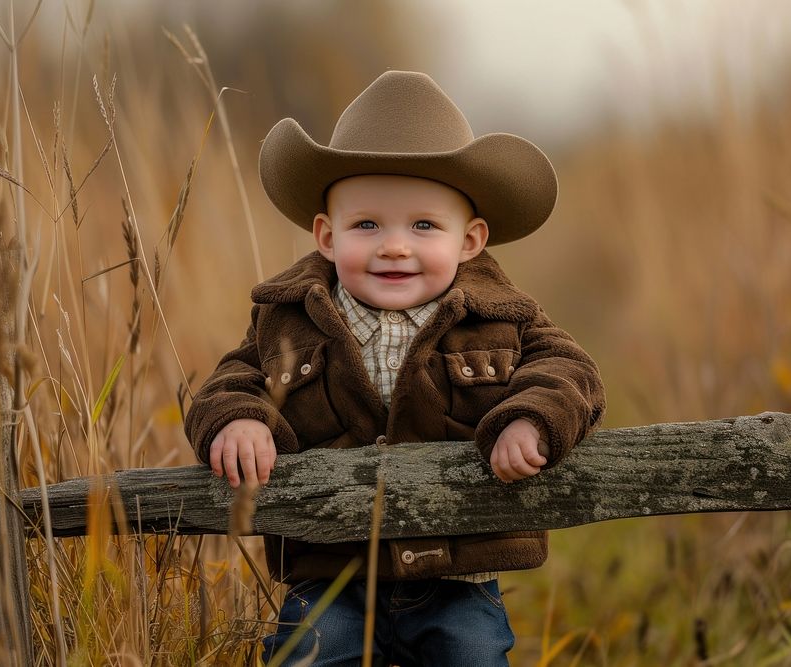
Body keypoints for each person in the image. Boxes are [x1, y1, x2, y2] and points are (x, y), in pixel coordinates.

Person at [184, 70, 606, 666]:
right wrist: (241, 421)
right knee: (309, 657)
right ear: (327, 236)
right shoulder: (287, 319)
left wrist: (532, 418)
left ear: (471, 240)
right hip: (330, 567)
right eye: (367, 224)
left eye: (424, 225)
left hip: (457, 572)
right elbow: (227, 384)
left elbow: (572, 371)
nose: (395, 246)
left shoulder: (502, 318)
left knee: (472, 657)